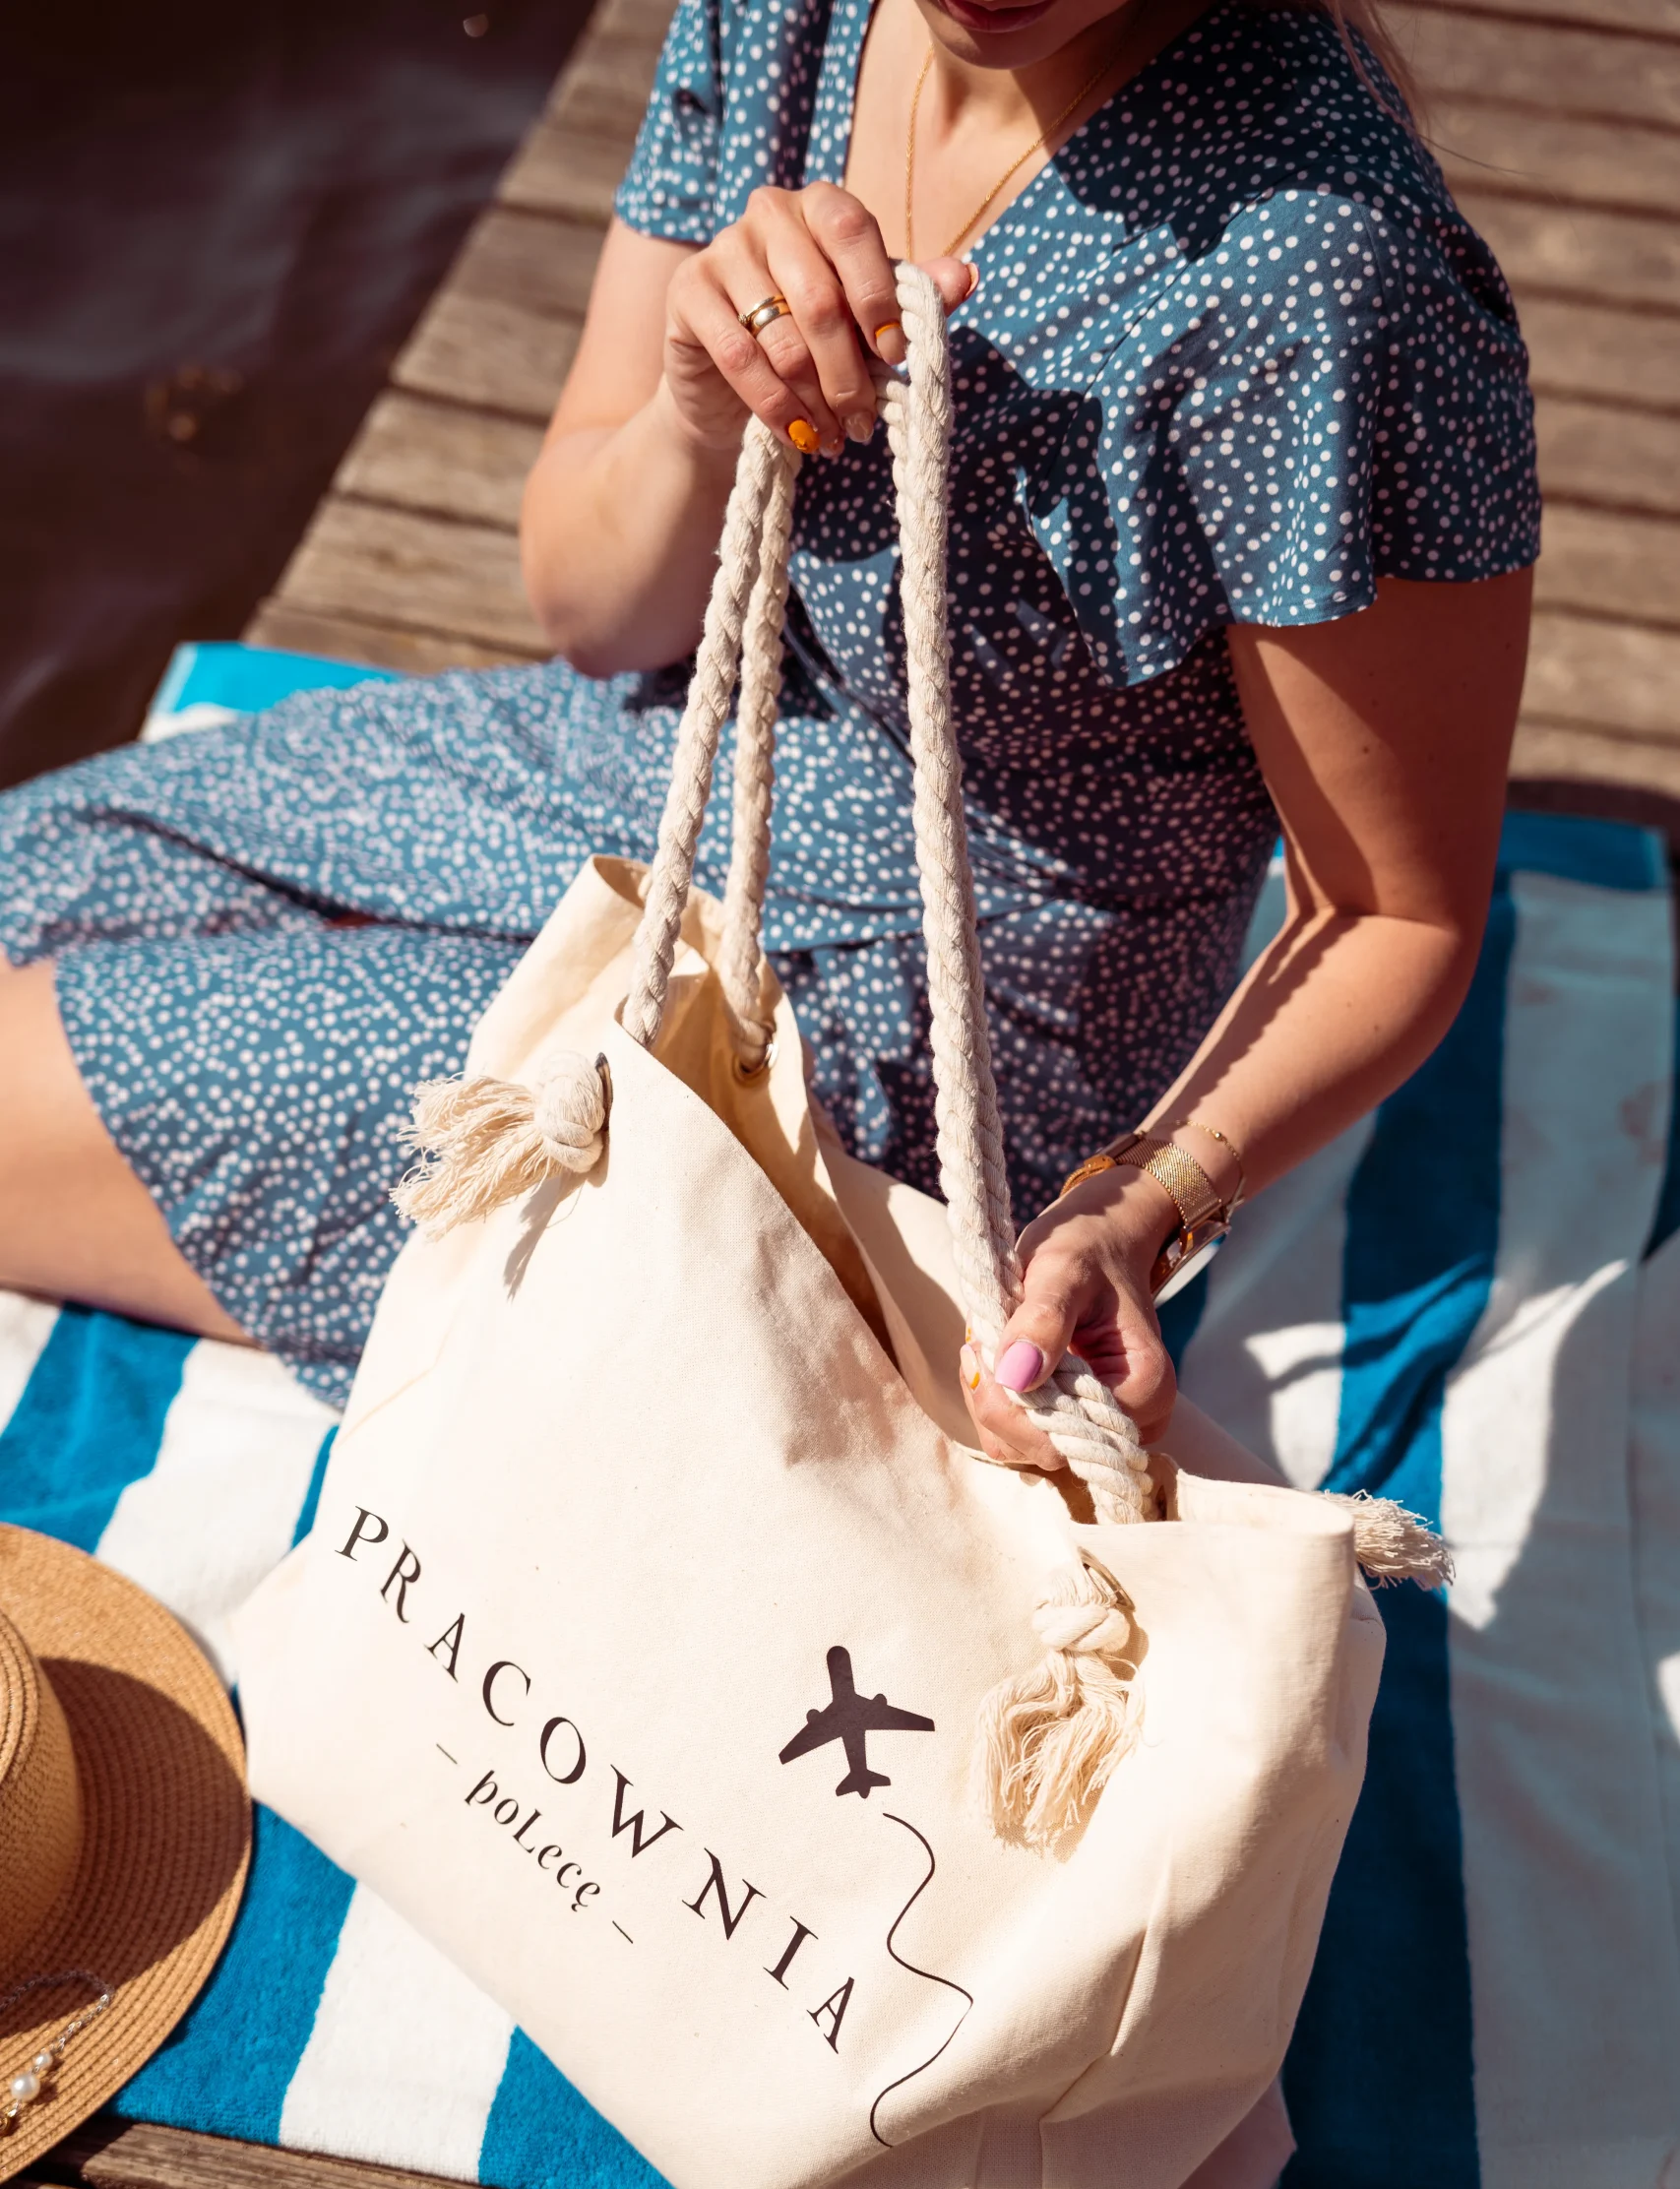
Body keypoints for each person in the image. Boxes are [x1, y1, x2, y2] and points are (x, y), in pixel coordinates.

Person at [0, 0, 1534, 1473]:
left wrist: (1140, 1204)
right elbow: (594, 612)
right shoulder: (776, 14)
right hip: (662, 756)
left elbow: (1390, 913)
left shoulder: (1323, 274)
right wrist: (696, 403)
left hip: (943, 1019)